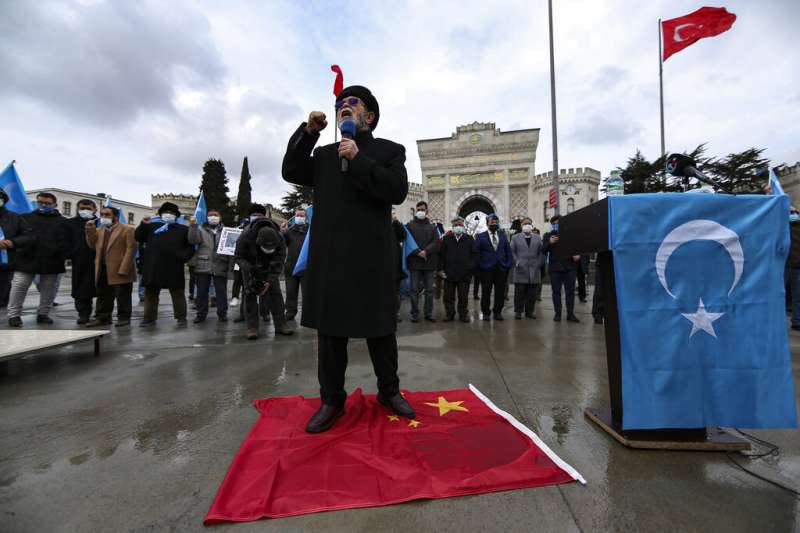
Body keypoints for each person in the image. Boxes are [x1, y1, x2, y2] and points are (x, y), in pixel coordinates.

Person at [282, 83, 415, 433]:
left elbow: (396, 190)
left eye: (353, 103)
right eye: (341, 102)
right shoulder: (325, 155)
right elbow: (291, 170)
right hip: (331, 259)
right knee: (331, 334)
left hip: (371, 257)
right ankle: (331, 400)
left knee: (381, 332)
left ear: (368, 116)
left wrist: (357, 159)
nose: (344, 105)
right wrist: (308, 132)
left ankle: (389, 392)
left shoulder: (388, 151)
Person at [7, 193, 68, 327]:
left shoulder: (63, 221)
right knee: (19, 287)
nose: (44, 205)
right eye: (40, 202)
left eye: (47, 203)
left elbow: (67, 242)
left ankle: (43, 314)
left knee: (48, 289)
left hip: (52, 260)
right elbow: (16, 236)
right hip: (26, 259)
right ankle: (14, 315)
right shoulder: (25, 218)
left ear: (55, 204)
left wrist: (63, 253)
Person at [135, 202, 195, 327]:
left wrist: (183, 257)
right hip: (153, 265)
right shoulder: (151, 226)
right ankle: (149, 318)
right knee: (150, 293)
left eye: (172, 213)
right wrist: (143, 224)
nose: (169, 215)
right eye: (166, 212)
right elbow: (139, 237)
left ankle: (181, 318)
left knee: (177, 292)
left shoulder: (183, 229)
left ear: (176, 216)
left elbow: (190, 247)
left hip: (174, 266)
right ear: (161, 214)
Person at [234, 213, 293, 339]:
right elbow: (238, 257)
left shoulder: (279, 238)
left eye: (272, 247)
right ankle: (252, 327)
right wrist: (250, 269)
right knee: (249, 294)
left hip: (270, 266)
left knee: (276, 293)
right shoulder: (245, 236)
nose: (269, 249)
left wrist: (270, 279)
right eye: (266, 247)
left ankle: (281, 324)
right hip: (250, 265)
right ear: (258, 242)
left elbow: (280, 259)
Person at [84, 206, 137, 327]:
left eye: (107, 215)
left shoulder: (127, 229)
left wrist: (124, 268)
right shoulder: (99, 230)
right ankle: (103, 317)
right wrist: (89, 230)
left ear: (115, 217)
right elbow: (92, 246)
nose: (104, 217)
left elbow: (131, 249)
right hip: (102, 268)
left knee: (122, 295)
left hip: (120, 268)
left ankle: (124, 317)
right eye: (102, 214)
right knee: (103, 295)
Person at [188, 209, 230, 323]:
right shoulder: (200, 229)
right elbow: (192, 240)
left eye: (215, 215)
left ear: (220, 217)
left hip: (221, 264)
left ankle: (222, 314)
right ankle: (201, 314)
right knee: (202, 292)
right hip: (203, 264)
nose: (213, 217)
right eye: (210, 215)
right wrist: (192, 226)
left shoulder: (226, 231)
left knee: (221, 291)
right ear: (207, 218)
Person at [63, 199, 98, 324]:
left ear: (95, 209)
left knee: (102, 288)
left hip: (99, 260)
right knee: (81, 289)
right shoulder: (70, 223)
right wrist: (70, 254)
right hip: (80, 260)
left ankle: (102, 314)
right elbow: (65, 240)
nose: (85, 210)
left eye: (88, 208)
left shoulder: (100, 222)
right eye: (82, 208)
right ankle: (83, 313)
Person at [542, 215, 581, 323]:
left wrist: (578, 255)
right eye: (554, 223)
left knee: (570, 292)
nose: (557, 225)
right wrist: (550, 243)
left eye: (558, 223)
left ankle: (570, 313)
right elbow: (543, 250)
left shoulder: (570, 234)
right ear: (552, 225)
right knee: (556, 292)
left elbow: (579, 247)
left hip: (570, 267)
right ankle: (557, 314)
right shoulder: (548, 235)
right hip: (555, 269)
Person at [437, 217, 477, 323]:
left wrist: (470, 268)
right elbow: (441, 255)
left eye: (459, 225)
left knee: (463, 296)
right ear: (452, 227)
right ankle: (449, 314)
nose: (458, 227)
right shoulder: (447, 239)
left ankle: (463, 314)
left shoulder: (469, 239)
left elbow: (474, 255)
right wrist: (440, 269)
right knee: (448, 296)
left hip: (464, 274)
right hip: (449, 273)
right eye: (455, 225)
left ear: (463, 226)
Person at [405, 200, 439, 322]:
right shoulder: (409, 226)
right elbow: (407, 242)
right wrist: (417, 252)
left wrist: (425, 251)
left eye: (423, 210)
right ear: (416, 210)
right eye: (418, 209)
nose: (420, 212)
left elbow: (436, 242)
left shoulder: (433, 227)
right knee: (414, 290)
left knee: (429, 291)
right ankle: (414, 314)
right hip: (415, 263)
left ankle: (428, 313)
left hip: (429, 263)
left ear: (427, 211)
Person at [474, 214, 513, 320]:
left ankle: (498, 312)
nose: (494, 224)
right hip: (486, 269)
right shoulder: (480, 236)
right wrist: (480, 266)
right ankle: (486, 313)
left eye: (496, 223)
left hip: (501, 269)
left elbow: (508, 251)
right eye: (492, 222)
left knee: (500, 292)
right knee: (486, 291)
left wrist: (508, 264)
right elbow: (476, 253)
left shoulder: (503, 236)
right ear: (487, 223)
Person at [0, 188, 34, 311]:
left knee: (3, 298)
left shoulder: (14, 218)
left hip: (6, 265)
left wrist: (12, 242)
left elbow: (29, 235)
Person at [510, 217, 543, 319]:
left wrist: (538, 263)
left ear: (532, 225)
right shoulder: (515, 237)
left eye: (529, 223)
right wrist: (517, 262)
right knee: (519, 293)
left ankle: (530, 312)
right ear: (521, 225)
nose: (527, 225)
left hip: (534, 270)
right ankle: (518, 312)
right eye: (525, 224)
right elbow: (512, 251)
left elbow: (541, 252)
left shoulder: (537, 238)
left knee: (532, 294)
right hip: (520, 269)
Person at [282, 208, 308, 322]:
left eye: (302, 216)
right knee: (290, 292)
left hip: (305, 267)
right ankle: (290, 312)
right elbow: (281, 243)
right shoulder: (289, 231)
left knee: (307, 293)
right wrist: (282, 231)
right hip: (291, 267)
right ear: (294, 217)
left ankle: (308, 314)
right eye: (298, 215)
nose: (300, 217)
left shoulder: (310, 231)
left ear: (306, 218)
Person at [391, 207, 407, 322]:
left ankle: (395, 314)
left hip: (395, 268)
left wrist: (395, 221)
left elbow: (403, 235)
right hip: (382, 269)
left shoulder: (395, 227)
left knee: (396, 293)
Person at [786, 207, 800, 331]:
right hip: (784, 266)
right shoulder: (783, 226)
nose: (794, 214)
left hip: (796, 267)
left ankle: (797, 321)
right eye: (791, 213)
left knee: (798, 296)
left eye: (796, 212)